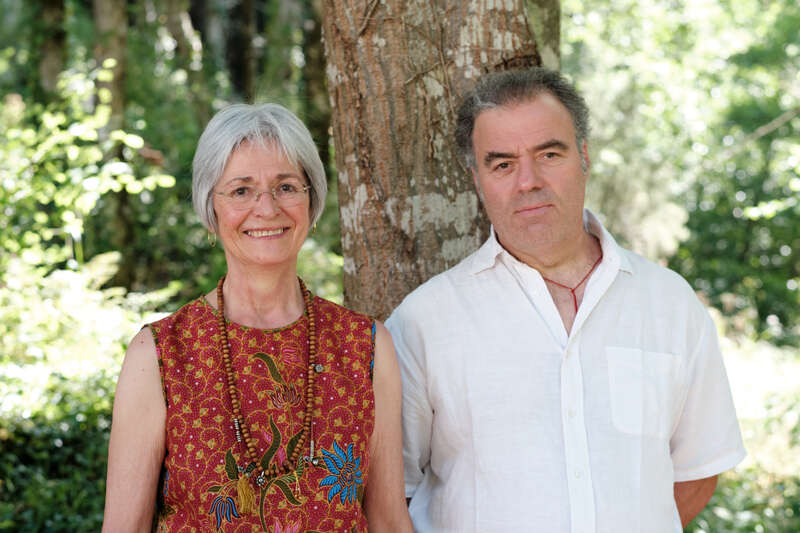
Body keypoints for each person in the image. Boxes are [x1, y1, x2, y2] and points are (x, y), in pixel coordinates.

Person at [386, 68, 746, 533]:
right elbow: (391, 494)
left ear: (584, 156)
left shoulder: (670, 304)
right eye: (502, 164)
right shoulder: (423, 322)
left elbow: (696, 472)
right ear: (477, 180)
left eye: (548, 154)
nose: (528, 181)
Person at [103, 103, 413, 533]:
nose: (266, 208)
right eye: (241, 190)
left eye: (286, 186)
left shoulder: (366, 346)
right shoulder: (158, 355)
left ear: (311, 199)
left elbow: (388, 521)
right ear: (211, 210)